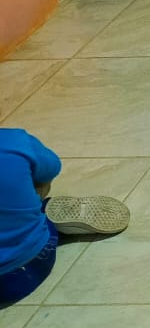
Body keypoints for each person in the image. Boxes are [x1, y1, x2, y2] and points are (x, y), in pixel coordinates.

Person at [1, 127, 130, 305]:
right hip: (26, 269)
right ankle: (40, 219)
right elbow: (52, 168)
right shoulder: (14, 142)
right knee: (32, 180)